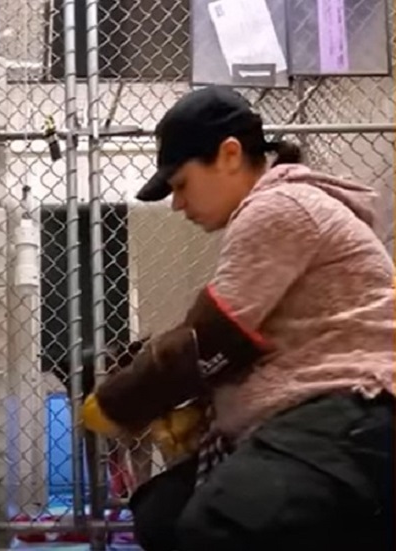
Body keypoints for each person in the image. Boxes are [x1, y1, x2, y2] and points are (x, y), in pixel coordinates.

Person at [82, 85, 395, 551]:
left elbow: (209, 338)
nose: (177, 203)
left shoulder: (278, 207)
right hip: (321, 418)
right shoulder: (281, 208)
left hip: (356, 410)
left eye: (182, 184)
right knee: (162, 513)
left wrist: (115, 404)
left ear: (229, 155)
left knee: (222, 524)